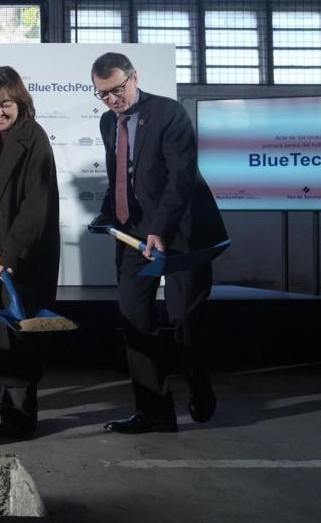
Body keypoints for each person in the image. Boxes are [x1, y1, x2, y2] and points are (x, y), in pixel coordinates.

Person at [89, 52, 228, 434]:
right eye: (102, 94)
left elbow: (180, 179)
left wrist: (160, 229)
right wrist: (106, 213)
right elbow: (121, 176)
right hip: (133, 233)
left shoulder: (169, 114)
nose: (112, 100)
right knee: (135, 319)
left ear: (134, 78)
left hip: (183, 233)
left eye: (117, 90)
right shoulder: (107, 122)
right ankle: (154, 412)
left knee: (185, 319)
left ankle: (200, 388)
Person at [0, 66, 60, 438]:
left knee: (18, 331)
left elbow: (36, 208)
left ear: (19, 101)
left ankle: (21, 416)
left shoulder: (34, 139)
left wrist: (11, 255)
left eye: (5, 104)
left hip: (25, 253)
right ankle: (1, 398)